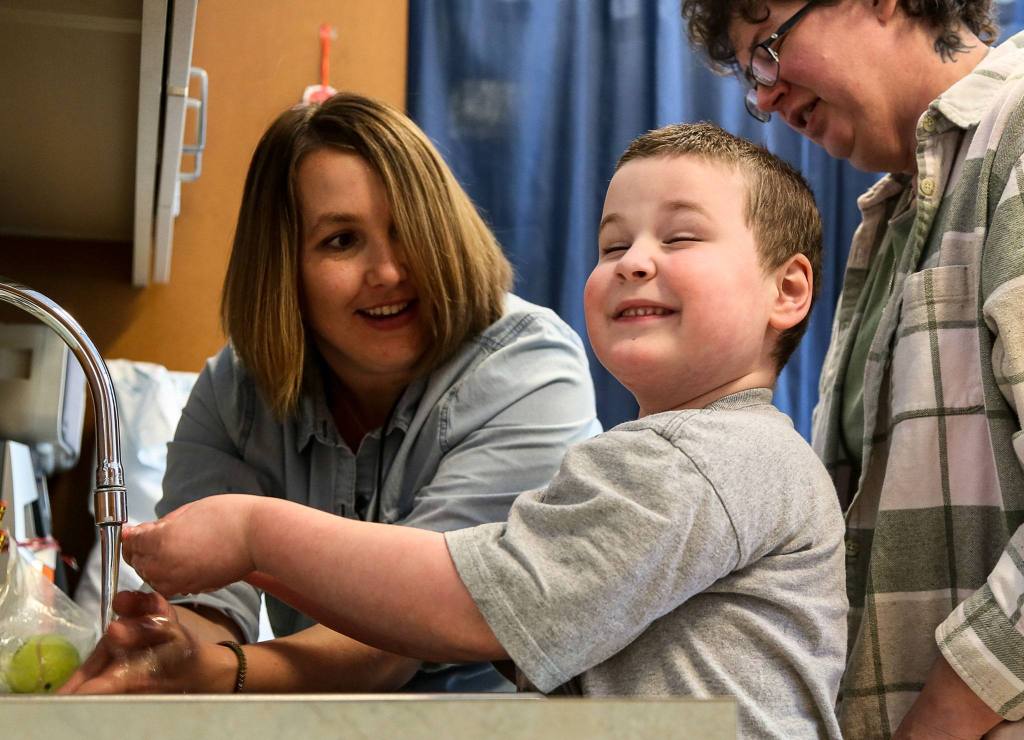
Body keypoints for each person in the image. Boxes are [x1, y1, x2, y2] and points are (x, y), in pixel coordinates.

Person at [66, 123, 848, 739]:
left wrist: (255, 533)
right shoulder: (653, 459)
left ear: (788, 291)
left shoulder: (700, 461)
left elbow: (476, 603)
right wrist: (172, 652)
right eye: (613, 245)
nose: (635, 262)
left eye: (678, 238)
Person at [69, 92, 602, 694]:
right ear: (282, 269)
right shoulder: (236, 395)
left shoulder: (528, 368)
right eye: (341, 241)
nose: (391, 272)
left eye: (408, 230)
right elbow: (210, 606)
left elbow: (413, 625)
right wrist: (168, 648)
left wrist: (220, 670)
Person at [681, 1, 1024, 737]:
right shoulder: (897, 212)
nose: (767, 99)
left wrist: (940, 722)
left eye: (769, 49)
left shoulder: (1019, 130)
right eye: (751, 78)